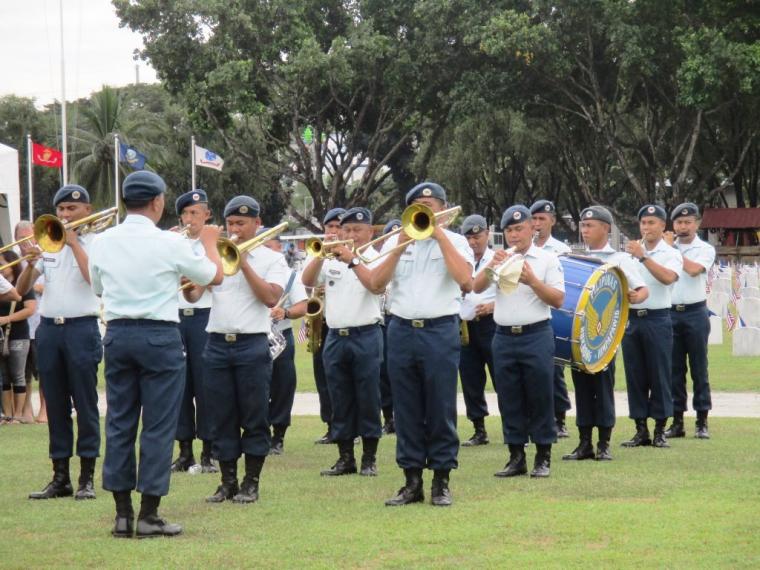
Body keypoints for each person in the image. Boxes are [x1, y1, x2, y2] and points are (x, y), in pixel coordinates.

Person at [89, 171, 223, 538]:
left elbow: (98, 286)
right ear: (158, 202)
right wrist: (210, 242)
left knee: (119, 422)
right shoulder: (170, 242)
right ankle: (149, 514)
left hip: (118, 333)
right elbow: (214, 276)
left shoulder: (102, 241)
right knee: (159, 425)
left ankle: (121, 515)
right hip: (159, 335)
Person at [369, 182, 473, 507]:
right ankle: (411, 481)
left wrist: (439, 236)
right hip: (401, 329)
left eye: (430, 205)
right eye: (418, 205)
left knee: (441, 406)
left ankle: (441, 480)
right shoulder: (396, 241)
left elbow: (466, 280)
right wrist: (398, 246)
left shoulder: (456, 241)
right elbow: (376, 284)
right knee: (406, 408)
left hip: (439, 330)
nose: (424, 210)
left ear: (443, 209)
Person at [184, 196, 287, 505]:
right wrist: (189, 284)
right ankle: (227, 482)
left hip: (252, 344)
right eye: (230, 224)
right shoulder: (216, 256)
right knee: (221, 416)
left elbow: (270, 298)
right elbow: (194, 296)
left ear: (257, 223)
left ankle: (251, 482)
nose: (235, 229)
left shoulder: (272, 259)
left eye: (241, 223)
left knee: (255, 415)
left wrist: (243, 264)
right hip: (216, 343)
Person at [18, 187, 102, 502]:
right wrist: (29, 264)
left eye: (71, 209)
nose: (65, 215)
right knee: (55, 404)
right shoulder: (48, 241)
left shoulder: (96, 242)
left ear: (87, 210)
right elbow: (21, 290)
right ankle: (60, 477)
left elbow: (94, 280)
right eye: (61, 209)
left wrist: (74, 242)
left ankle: (87, 478)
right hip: (50, 330)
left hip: (82, 327)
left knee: (86, 404)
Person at [474, 205, 565, 479]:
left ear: (531, 228)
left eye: (519, 229)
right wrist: (491, 265)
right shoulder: (501, 258)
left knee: (540, 395)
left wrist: (533, 281)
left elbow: (558, 299)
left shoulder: (547, 259)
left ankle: (543, 455)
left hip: (536, 333)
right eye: (509, 231)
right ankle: (516, 456)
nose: (514, 235)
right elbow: (475, 287)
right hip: (503, 336)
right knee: (508, 396)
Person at [302, 207, 385, 477]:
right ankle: (345, 457)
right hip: (336, 335)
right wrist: (320, 254)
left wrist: (353, 260)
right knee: (339, 397)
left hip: (366, 334)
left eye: (357, 230)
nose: (350, 234)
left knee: (368, 397)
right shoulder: (332, 258)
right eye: (346, 229)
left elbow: (376, 286)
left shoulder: (377, 257)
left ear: (369, 231)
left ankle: (369, 457)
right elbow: (307, 281)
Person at [562, 206, 648, 462]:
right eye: (583, 226)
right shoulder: (576, 257)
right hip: (581, 335)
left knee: (602, 388)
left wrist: (636, 297)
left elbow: (642, 289)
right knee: (582, 389)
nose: (585, 230)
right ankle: (584, 443)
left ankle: (603, 443)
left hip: (605, 338)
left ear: (606, 228)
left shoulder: (620, 259)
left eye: (590, 226)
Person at [622, 204, 682, 449]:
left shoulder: (670, 253)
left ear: (662, 226)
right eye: (643, 223)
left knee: (659, 373)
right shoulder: (629, 253)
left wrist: (644, 258)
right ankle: (641, 430)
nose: (646, 227)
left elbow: (668, 278)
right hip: (632, 319)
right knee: (635, 375)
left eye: (651, 223)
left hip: (658, 318)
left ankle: (660, 429)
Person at [170, 189, 218, 474]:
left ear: (207, 215)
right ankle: (184, 451)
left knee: (206, 385)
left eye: (195, 213)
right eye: (186, 213)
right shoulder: (173, 242)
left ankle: (209, 451)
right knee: (180, 386)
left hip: (205, 316)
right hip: (176, 317)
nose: (190, 219)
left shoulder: (215, 243)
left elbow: (220, 276)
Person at [665, 203, 715, 439]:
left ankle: (702, 420)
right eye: (678, 222)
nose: (683, 226)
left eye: (687, 222)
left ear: (697, 224)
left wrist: (672, 251)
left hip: (695, 312)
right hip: (671, 312)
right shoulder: (665, 248)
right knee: (674, 370)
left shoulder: (704, 249)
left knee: (699, 367)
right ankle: (677, 421)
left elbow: (694, 270)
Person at [530, 199, 573, 438]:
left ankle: (560, 418)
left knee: (555, 369)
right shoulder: (522, 248)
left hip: (555, 314)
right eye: (534, 219)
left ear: (553, 221)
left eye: (542, 219)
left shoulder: (561, 250)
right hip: (530, 314)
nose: (537, 224)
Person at [263, 231, 308, 455]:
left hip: (280, 336)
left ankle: (278, 436)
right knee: (255, 387)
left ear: (279, 249)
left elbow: (302, 305)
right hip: (254, 336)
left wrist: (286, 312)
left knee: (282, 387)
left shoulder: (290, 275)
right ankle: (258, 433)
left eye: (269, 248)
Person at [458, 214, 496, 447]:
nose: (473, 242)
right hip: (465, 326)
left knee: (501, 376)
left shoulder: (497, 259)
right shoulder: (459, 259)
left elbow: (511, 293)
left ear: (487, 234)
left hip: (491, 323)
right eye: (469, 238)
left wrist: (493, 306)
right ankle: (478, 429)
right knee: (470, 379)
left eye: (477, 237)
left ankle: (514, 425)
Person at [312, 207, 345, 444]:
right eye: (330, 227)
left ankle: (348, 426)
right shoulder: (318, 253)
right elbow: (305, 284)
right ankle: (330, 424)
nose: (333, 231)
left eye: (338, 227)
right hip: (321, 323)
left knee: (344, 380)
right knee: (323, 378)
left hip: (343, 322)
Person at [14, 221, 45, 424]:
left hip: (41, 322)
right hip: (23, 326)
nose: (26, 243)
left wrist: (33, 286)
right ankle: (26, 409)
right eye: (22, 239)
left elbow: (47, 286)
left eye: (29, 238)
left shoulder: (45, 255)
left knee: (44, 371)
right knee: (23, 372)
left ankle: (44, 410)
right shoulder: (14, 260)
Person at [0, 252, 35, 424]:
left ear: (12, 264)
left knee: (18, 374)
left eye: (2, 263)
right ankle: (8, 414)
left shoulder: (22, 284)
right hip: (2, 336)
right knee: (4, 375)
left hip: (18, 335)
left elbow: (30, 309)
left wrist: (7, 319)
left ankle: (19, 414)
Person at [379, 219, 401, 435]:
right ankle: (388, 418)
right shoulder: (380, 261)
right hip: (384, 320)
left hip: (399, 318)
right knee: (384, 373)